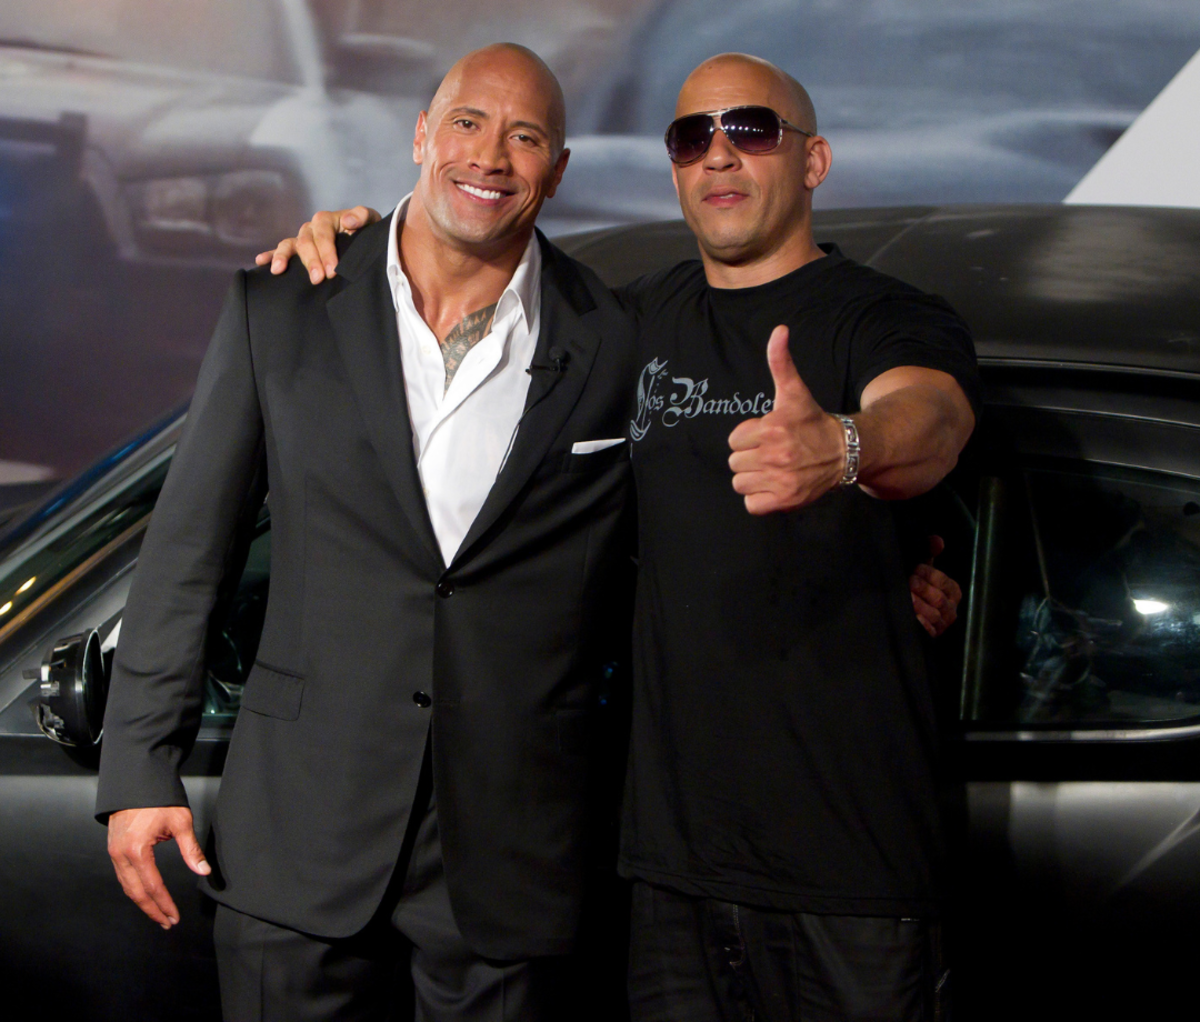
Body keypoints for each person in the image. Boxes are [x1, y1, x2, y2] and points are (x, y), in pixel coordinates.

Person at [270, 52, 977, 1021]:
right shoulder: (628, 320)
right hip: (663, 870)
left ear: (813, 162)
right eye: (692, 137)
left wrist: (842, 446)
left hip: (849, 872)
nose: (719, 155)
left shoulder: (879, 316)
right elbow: (460, 310)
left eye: (752, 130)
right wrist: (353, 244)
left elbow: (931, 419)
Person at [97, 43, 642, 1022]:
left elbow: (677, 541)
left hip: (512, 854)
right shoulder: (283, 303)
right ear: (422, 135)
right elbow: (189, 554)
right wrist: (141, 764)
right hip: (299, 836)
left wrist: (902, 558)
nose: (491, 155)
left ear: (556, 172)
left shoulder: (617, 340)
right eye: (468, 123)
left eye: (526, 136)